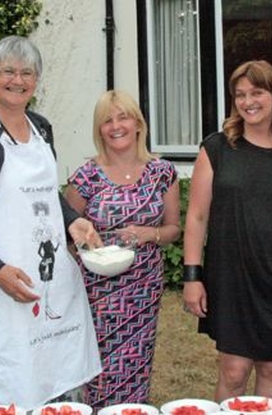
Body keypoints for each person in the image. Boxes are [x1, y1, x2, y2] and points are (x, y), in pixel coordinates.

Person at [0, 35, 102, 413]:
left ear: (37, 81)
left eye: (27, 72)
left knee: (55, 366)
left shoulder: (41, 127)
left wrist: (73, 221)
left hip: (51, 277)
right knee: (6, 375)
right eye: (7, 71)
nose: (18, 79)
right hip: (0, 280)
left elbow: (42, 193)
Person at [181, 60, 272, 403]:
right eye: (240, 95)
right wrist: (192, 276)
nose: (248, 101)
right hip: (230, 277)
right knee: (234, 370)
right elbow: (197, 217)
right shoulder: (216, 148)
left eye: (256, 92)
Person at [64, 90, 181, 408]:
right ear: (99, 129)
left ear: (138, 123)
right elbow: (65, 226)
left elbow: (173, 229)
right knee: (97, 368)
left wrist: (150, 233)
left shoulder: (162, 172)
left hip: (142, 289)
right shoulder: (87, 176)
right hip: (96, 290)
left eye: (123, 117)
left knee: (136, 363)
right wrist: (83, 249)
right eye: (107, 121)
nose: (116, 126)